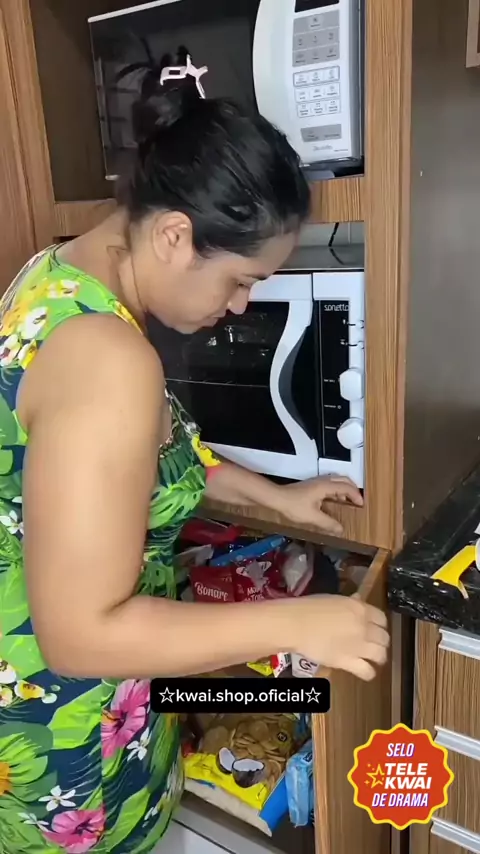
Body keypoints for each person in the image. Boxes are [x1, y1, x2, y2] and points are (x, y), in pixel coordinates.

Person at [0, 54, 389, 854]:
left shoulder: (59, 275)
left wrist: (275, 495)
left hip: (67, 708)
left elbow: (137, 459)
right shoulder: (108, 357)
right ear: (176, 235)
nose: (241, 305)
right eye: (242, 279)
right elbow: (79, 635)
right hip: (66, 745)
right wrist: (298, 621)